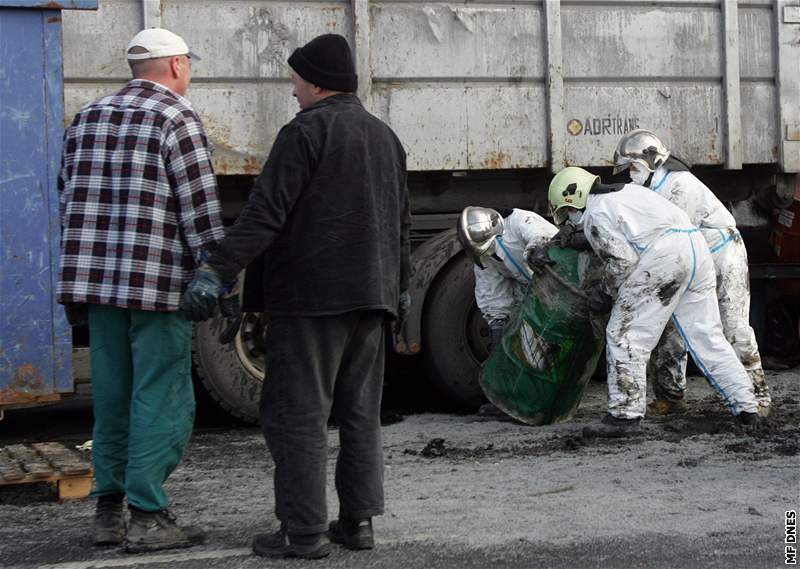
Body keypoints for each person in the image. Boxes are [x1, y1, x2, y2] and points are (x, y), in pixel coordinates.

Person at [179, 33, 411, 559]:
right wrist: (402, 293)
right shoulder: (384, 137)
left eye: (295, 80)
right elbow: (401, 223)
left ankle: (303, 533)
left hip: (312, 299)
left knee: (298, 414)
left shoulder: (304, 133)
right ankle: (358, 523)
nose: (292, 91)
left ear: (315, 82)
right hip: (372, 299)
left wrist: (216, 271)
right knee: (358, 413)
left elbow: (265, 214)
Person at [57, 29, 226, 552]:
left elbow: (66, 194)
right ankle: (149, 514)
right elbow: (199, 208)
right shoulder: (177, 118)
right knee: (160, 393)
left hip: (96, 284)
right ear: (176, 65)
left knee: (111, 394)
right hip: (156, 286)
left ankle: (107, 511)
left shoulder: (87, 117)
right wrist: (218, 272)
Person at [547, 167, 763, 437]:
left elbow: (621, 261)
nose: (570, 221)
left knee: (625, 335)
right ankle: (747, 409)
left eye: (567, 214)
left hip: (663, 257)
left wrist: (604, 293)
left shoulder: (595, 213)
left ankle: (624, 416)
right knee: (708, 337)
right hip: (695, 249)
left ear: (572, 199)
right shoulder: (628, 193)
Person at [613, 130, 771, 417]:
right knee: (672, 327)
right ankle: (671, 396)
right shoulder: (657, 187)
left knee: (734, 327)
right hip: (695, 257)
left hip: (722, 253)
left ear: (648, 162)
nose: (629, 176)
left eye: (632, 168)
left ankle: (757, 396)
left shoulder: (678, 186)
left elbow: (668, 238)